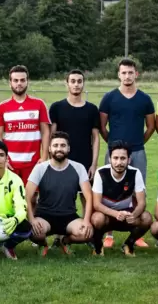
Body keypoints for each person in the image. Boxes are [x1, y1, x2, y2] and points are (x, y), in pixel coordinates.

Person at [99, 58, 155, 248]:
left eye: (130, 72)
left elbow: (151, 126)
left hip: (137, 152)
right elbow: (102, 126)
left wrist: (136, 145)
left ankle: (136, 233)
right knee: (109, 192)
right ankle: (109, 234)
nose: (127, 76)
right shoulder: (109, 98)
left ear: (136, 74)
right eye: (123, 72)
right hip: (113, 153)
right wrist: (114, 147)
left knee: (137, 191)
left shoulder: (145, 99)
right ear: (118, 74)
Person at [27, 131, 94, 257]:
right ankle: (43, 244)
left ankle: (65, 241)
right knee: (31, 231)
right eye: (56, 145)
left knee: (86, 234)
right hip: (44, 216)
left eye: (63, 146)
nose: (59, 149)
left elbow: (89, 196)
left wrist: (86, 221)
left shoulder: (78, 167)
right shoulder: (40, 168)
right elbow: (27, 196)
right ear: (49, 148)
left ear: (68, 148)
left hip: (69, 216)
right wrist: (32, 219)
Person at [91, 141, 153, 257]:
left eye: (123, 158)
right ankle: (98, 246)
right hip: (107, 216)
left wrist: (134, 215)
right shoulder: (101, 173)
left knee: (147, 218)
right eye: (115, 158)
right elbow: (96, 204)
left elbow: (142, 202)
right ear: (110, 159)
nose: (119, 162)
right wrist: (116, 214)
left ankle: (128, 244)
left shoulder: (135, 173)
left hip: (127, 214)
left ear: (129, 160)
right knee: (97, 218)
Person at [49, 69, 99, 210]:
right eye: (72, 81)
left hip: (85, 161)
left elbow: (96, 138)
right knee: (62, 197)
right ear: (67, 84)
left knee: (87, 198)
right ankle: (61, 230)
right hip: (62, 160)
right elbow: (52, 137)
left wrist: (94, 164)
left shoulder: (92, 109)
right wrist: (50, 161)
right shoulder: (57, 107)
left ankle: (88, 228)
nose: (76, 84)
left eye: (79, 81)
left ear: (83, 84)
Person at [0, 65, 51, 189]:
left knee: (32, 200)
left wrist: (44, 157)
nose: (19, 83)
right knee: (10, 199)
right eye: (15, 80)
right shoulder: (2, 107)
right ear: (10, 83)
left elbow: (45, 132)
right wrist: (3, 159)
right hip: (10, 164)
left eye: (22, 80)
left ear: (27, 82)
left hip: (33, 163)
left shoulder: (39, 104)